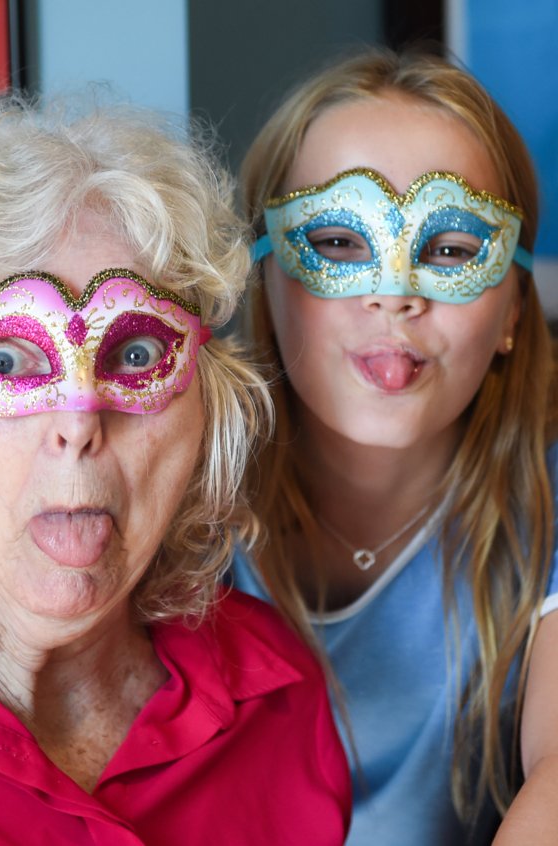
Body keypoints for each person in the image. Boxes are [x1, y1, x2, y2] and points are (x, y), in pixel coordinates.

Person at [0, 95, 351, 845]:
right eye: (6, 360)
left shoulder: (279, 705)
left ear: (209, 406)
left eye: (136, 354)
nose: (78, 424)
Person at [230, 47, 558, 845]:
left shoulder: (548, 497)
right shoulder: (178, 491)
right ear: (268, 286)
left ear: (514, 308)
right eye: (339, 243)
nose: (395, 294)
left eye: (451, 250)